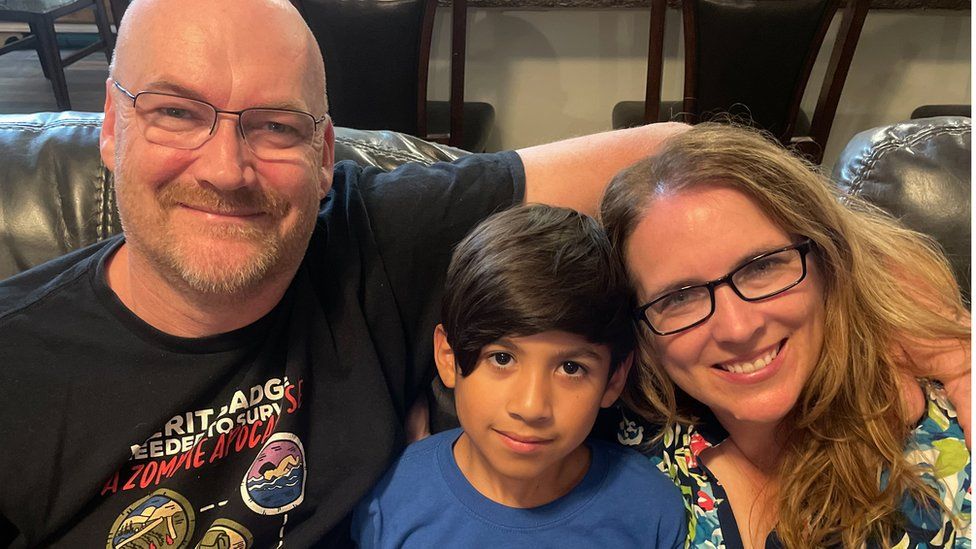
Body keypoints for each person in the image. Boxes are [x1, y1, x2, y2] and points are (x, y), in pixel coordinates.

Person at [0, 0, 686, 546]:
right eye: (177, 113)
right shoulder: (19, 360)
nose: (225, 169)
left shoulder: (376, 236)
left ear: (325, 154)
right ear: (112, 127)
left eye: (275, 127)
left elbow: (677, 157)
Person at [599, 123, 971, 548]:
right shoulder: (614, 439)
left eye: (762, 266)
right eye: (680, 297)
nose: (738, 329)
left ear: (829, 262)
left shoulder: (950, 432)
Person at [351, 204, 687, 548]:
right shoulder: (389, 498)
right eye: (501, 358)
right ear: (449, 357)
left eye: (571, 368)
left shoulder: (649, 511)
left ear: (614, 379)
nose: (531, 407)